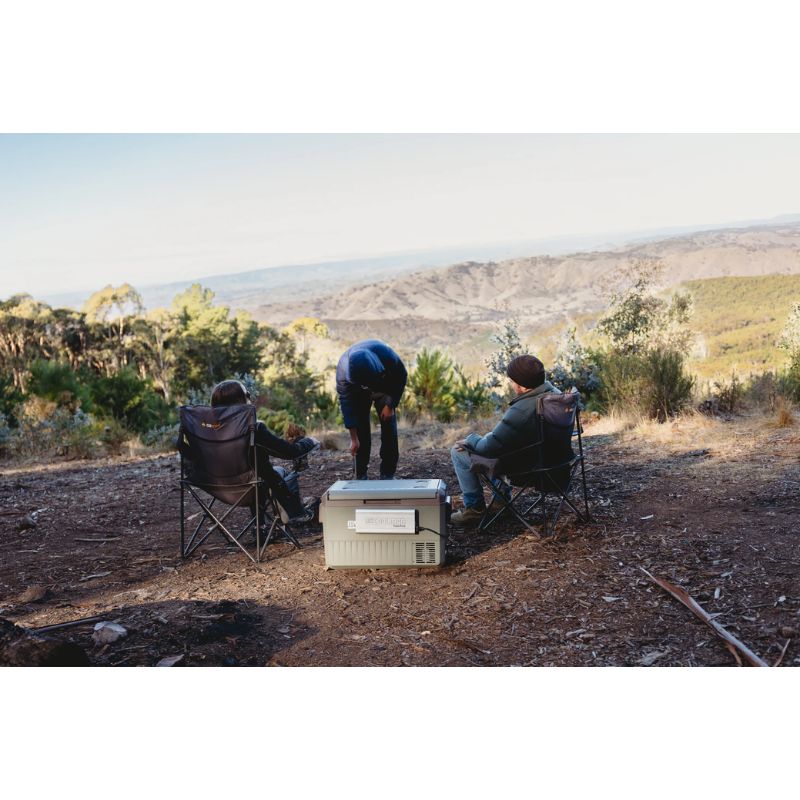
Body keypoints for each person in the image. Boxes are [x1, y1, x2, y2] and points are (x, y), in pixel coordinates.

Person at [450, 355, 561, 527]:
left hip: (528, 469)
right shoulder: (557, 396)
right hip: (556, 463)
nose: (511, 384)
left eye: (512, 381)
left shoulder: (522, 410)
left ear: (522, 386)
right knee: (494, 443)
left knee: (459, 452)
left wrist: (471, 439)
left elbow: (489, 448)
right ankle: (500, 502)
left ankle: (474, 510)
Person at [210, 380, 319, 524]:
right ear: (241, 401)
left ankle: (260, 527)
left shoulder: (208, 430)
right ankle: (296, 514)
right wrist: (310, 441)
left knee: (259, 468)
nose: (250, 398)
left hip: (218, 488)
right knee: (275, 472)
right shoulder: (254, 429)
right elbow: (290, 452)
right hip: (251, 489)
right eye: (247, 394)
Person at [336, 339, 407, 480]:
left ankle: (388, 473)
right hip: (357, 393)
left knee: (389, 427)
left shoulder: (386, 355)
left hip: (383, 387)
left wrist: (390, 405)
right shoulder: (344, 374)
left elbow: (401, 376)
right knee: (361, 431)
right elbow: (347, 406)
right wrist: (354, 439)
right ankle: (360, 474)